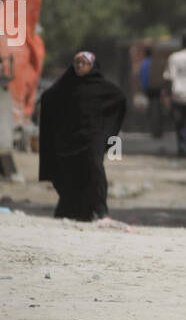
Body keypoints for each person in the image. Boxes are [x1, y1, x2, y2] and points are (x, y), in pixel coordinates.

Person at [38, 50, 126, 221]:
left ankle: (101, 210)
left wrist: (106, 131)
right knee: (68, 172)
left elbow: (120, 99)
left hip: (93, 137)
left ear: (91, 66)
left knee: (95, 168)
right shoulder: (66, 85)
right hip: (71, 139)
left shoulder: (102, 88)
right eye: (76, 63)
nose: (79, 66)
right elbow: (49, 97)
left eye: (83, 63)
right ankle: (74, 209)